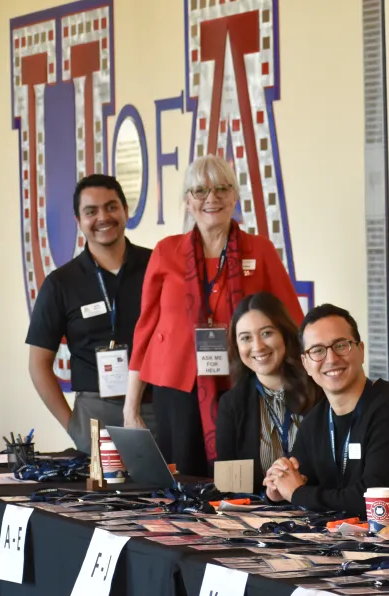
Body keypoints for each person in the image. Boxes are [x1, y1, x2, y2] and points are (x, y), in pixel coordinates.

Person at [125, 155, 304, 476]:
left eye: (222, 188)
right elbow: (145, 330)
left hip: (243, 385)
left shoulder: (259, 251)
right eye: (200, 191)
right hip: (176, 387)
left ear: (235, 196)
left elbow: (292, 322)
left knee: (237, 478)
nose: (212, 198)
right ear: (187, 201)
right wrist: (131, 405)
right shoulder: (166, 252)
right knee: (182, 479)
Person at [263, 305, 389, 521]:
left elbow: (374, 503)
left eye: (341, 345)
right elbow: (301, 483)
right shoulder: (315, 421)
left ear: (361, 350)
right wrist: (277, 489)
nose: (331, 359)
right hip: (350, 546)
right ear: (306, 363)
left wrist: (297, 493)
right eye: (317, 351)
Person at [26, 175, 156, 452]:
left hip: (156, 407)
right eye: (91, 211)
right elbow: (38, 364)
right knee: (102, 496)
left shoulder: (157, 267)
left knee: (165, 494)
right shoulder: (61, 283)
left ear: (125, 211)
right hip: (95, 411)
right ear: (78, 220)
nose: (103, 217)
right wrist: (73, 425)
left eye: (111, 207)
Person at [215, 293, 319, 492]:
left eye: (266, 333)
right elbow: (229, 489)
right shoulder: (232, 404)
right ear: (237, 346)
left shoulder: (319, 388)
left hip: (320, 510)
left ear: (285, 334)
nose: (258, 346)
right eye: (245, 338)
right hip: (258, 515)